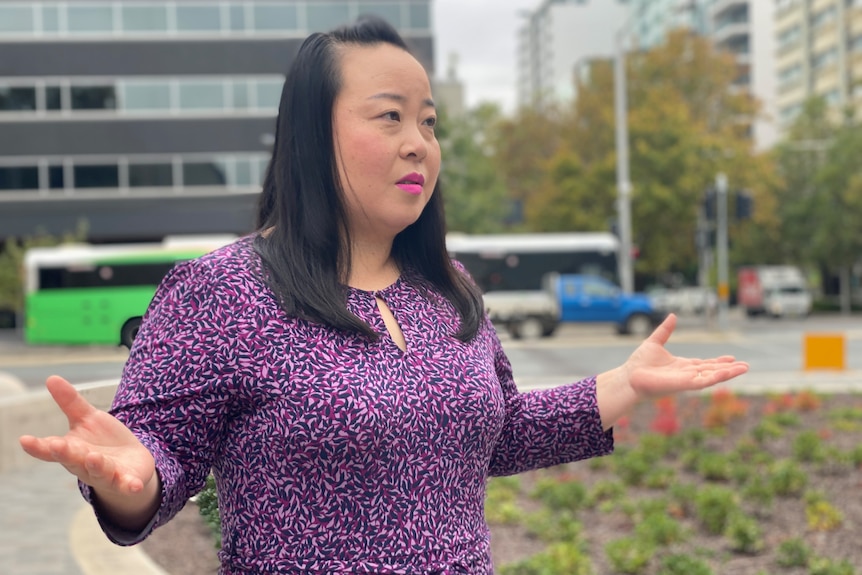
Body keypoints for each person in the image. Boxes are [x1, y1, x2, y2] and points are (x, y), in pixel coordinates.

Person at [19, 16, 749, 575]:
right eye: (390, 115)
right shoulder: (222, 292)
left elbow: (495, 435)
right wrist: (131, 481)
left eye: (429, 122)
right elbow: (150, 471)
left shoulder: (449, 289)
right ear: (312, 134)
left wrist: (623, 384)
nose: (419, 143)